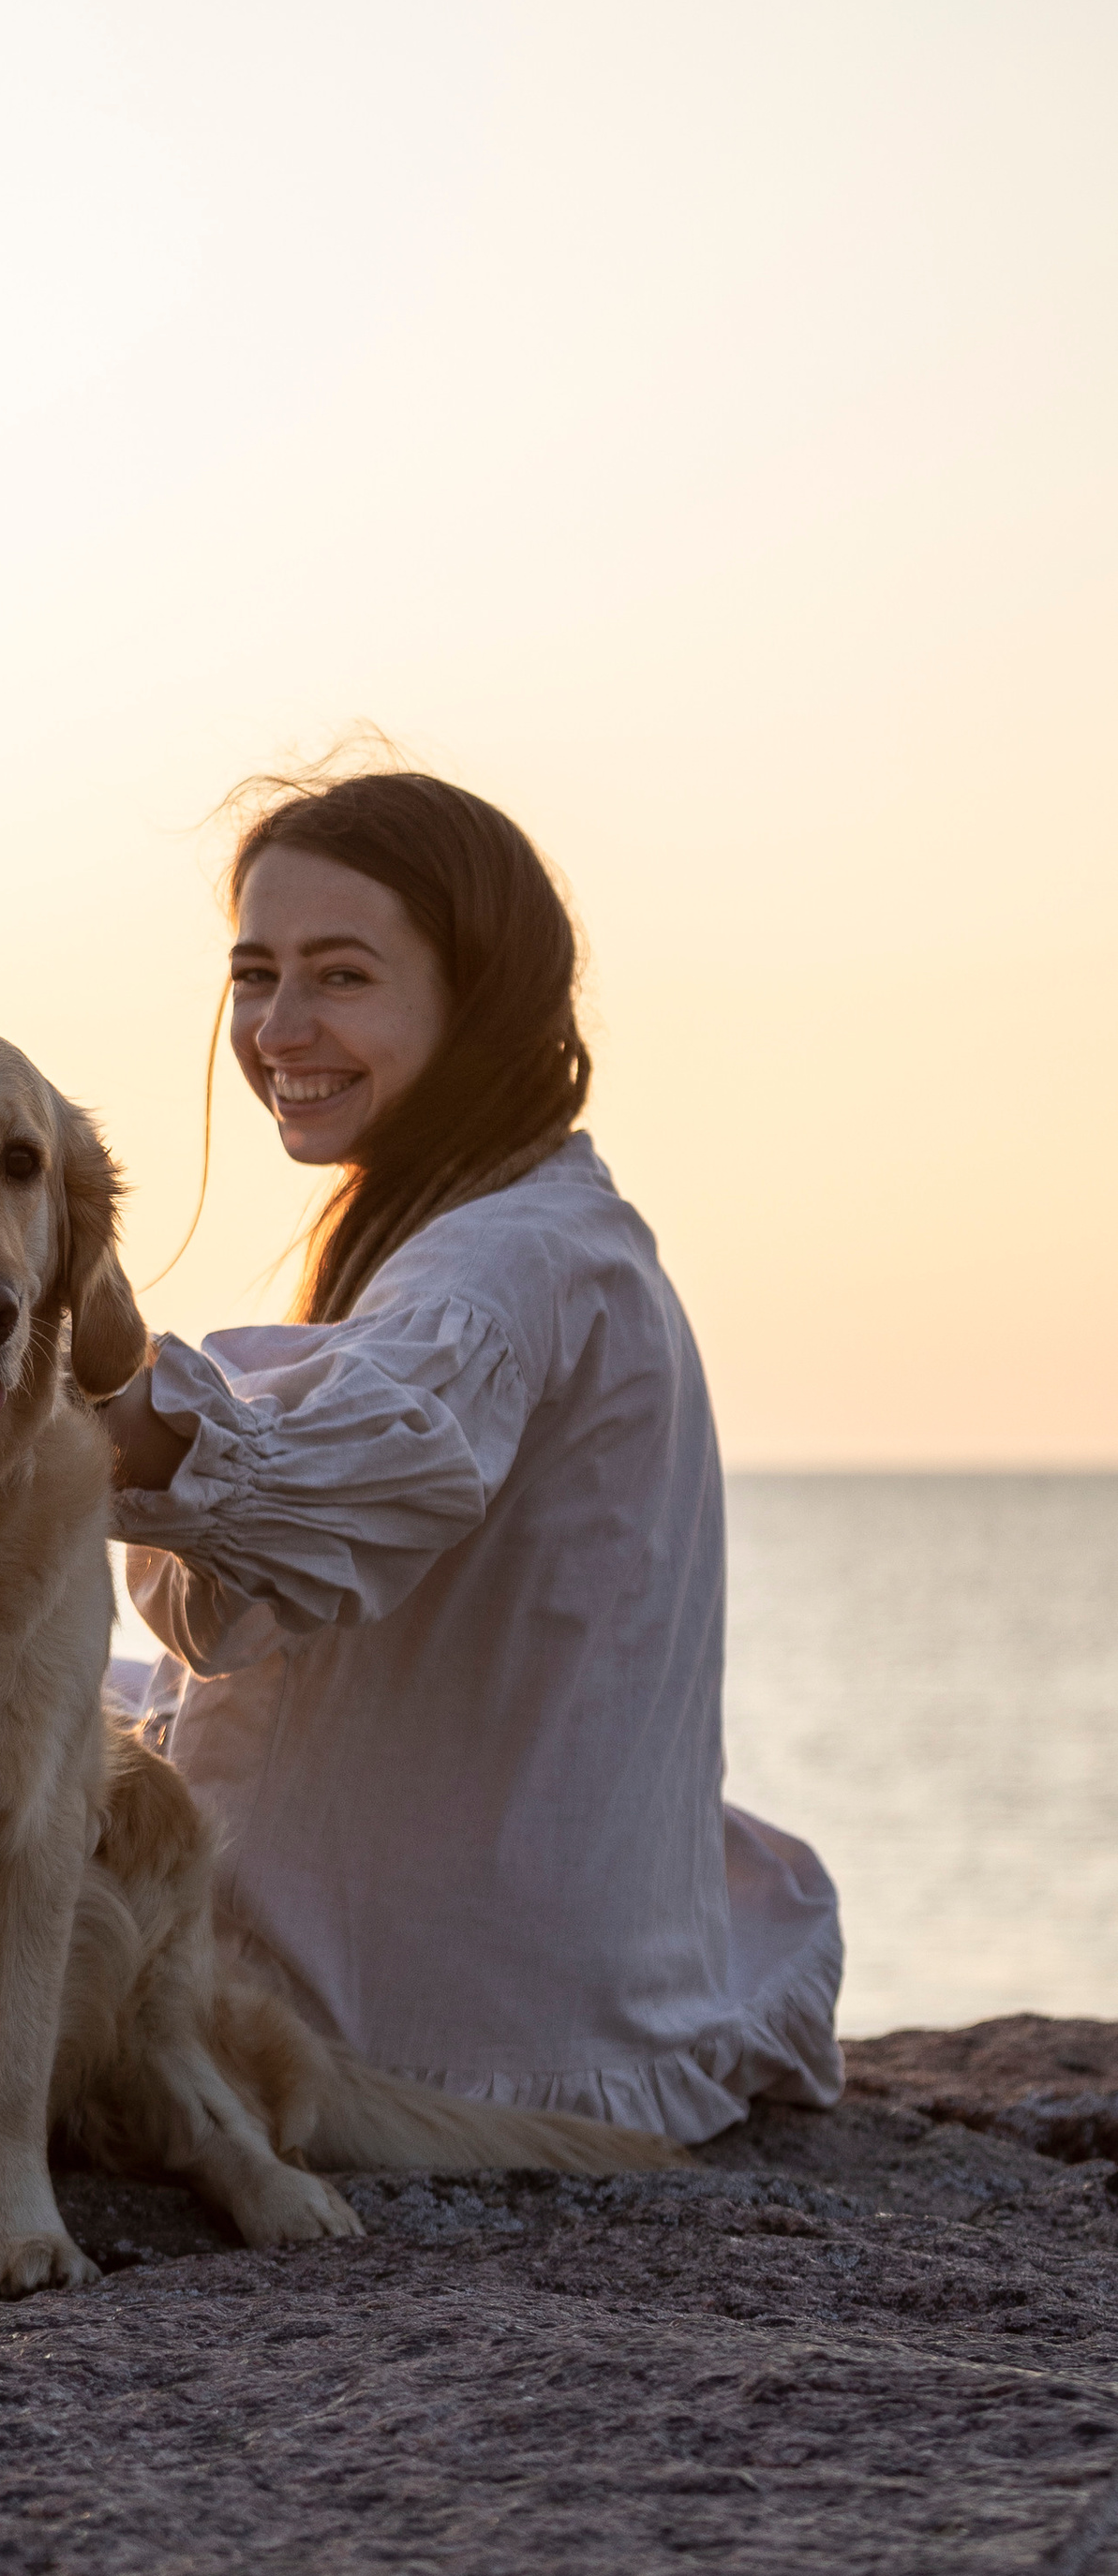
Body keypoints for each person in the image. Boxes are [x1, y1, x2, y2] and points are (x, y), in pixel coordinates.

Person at [97, 766, 842, 2141]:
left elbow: (337, 1469)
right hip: (545, 1962)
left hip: (433, 2028)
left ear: (476, 994)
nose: (279, 1028)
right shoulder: (535, 1218)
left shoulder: (498, 1267)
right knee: (52, 1695)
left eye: (343, 977)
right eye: (256, 976)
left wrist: (59, 1392)